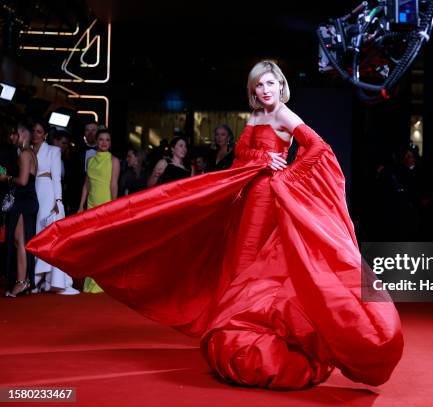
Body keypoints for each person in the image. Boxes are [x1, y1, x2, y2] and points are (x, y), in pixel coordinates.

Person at [27, 60, 403, 389]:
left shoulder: (285, 116)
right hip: (243, 202)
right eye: (259, 84)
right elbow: (243, 163)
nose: (265, 89)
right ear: (253, 89)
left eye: (271, 82)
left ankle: (257, 332)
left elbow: (319, 150)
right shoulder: (254, 117)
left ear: (281, 86)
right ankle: (233, 328)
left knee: (258, 271)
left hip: (269, 201)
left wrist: (286, 175)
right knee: (236, 265)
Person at [31, 120, 78, 295]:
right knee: (34, 234)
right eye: (34, 131)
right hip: (30, 193)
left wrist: (58, 201)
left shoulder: (54, 150)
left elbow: (57, 178)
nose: (36, 134)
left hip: (47, 194)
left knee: (46, 234)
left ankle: (47, 280)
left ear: (45, 134)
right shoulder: (25, 150)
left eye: (39, 131)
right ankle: (36, 279)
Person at [78, 128, 120, 293]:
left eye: (107, 140)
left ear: (110, 143)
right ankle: (91, 280)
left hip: (106, 205)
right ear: (96, 141)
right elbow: (86, 185)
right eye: (101, 139)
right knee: (92, 245)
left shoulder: (114, 161)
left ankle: (103, 282)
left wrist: (114, 206)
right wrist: (81, 206)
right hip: (91, 205)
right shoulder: (90, 161)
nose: (104, 142)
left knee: (104, 244)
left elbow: (114, 184)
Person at [1, 121, 38, 297]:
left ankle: (22, 282)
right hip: (26, 200)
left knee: (20, 242)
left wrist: (5, 178)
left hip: (24, 200)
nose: (12, 137)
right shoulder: (29, 152)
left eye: (14, 133)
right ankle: (23, 280)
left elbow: (22, 181)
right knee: (20, 241)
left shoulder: (24, 154)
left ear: (23, 134)